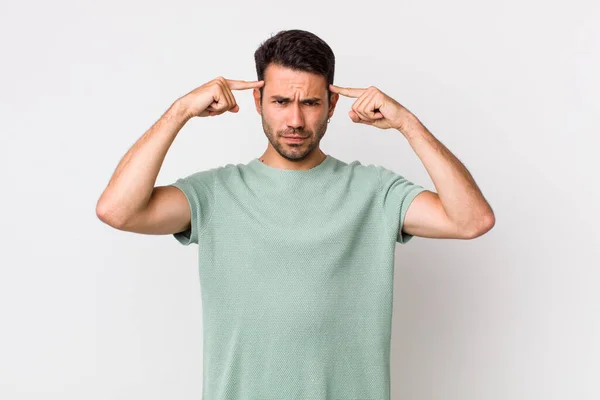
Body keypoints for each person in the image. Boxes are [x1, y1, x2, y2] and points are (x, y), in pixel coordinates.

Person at [96, 29, 495, 400]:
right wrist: (180, 111)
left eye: (310, 102)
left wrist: (408, 124)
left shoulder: (374, 192)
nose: (295, 121)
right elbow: (117, 210)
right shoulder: (216, 193)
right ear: (258, 101)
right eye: (281, 101)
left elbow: (471, 220)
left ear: (332, 104)